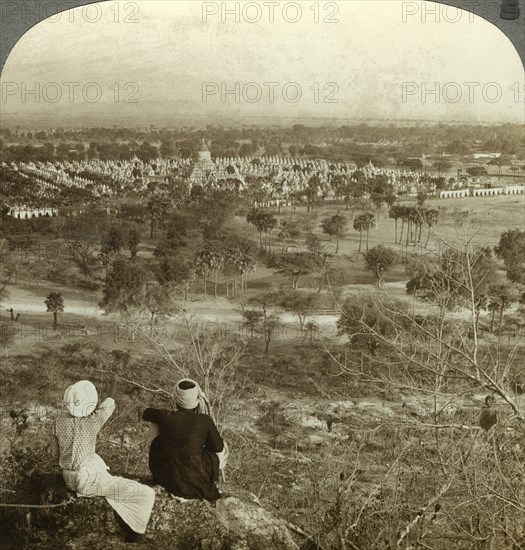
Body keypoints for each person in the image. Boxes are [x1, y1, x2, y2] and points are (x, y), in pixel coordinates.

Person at [53, 379, 155, 543]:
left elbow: (55, 455)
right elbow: (108, 404)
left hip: (68, 477)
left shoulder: (59, 422)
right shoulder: (91, 422)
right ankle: (135, 533)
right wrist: (114, 380)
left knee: (94, 458)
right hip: (86, 481)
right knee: (147, 494)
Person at [142, 379, 225, 501]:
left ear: (176, 398)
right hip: (195, 476)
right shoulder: (204, 420)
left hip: (166, 476)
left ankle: (166, 469)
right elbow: (218, 447)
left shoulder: (166, 416)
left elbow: (146, 413)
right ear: (196, 399)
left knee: (156, 424)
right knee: (221, 448)